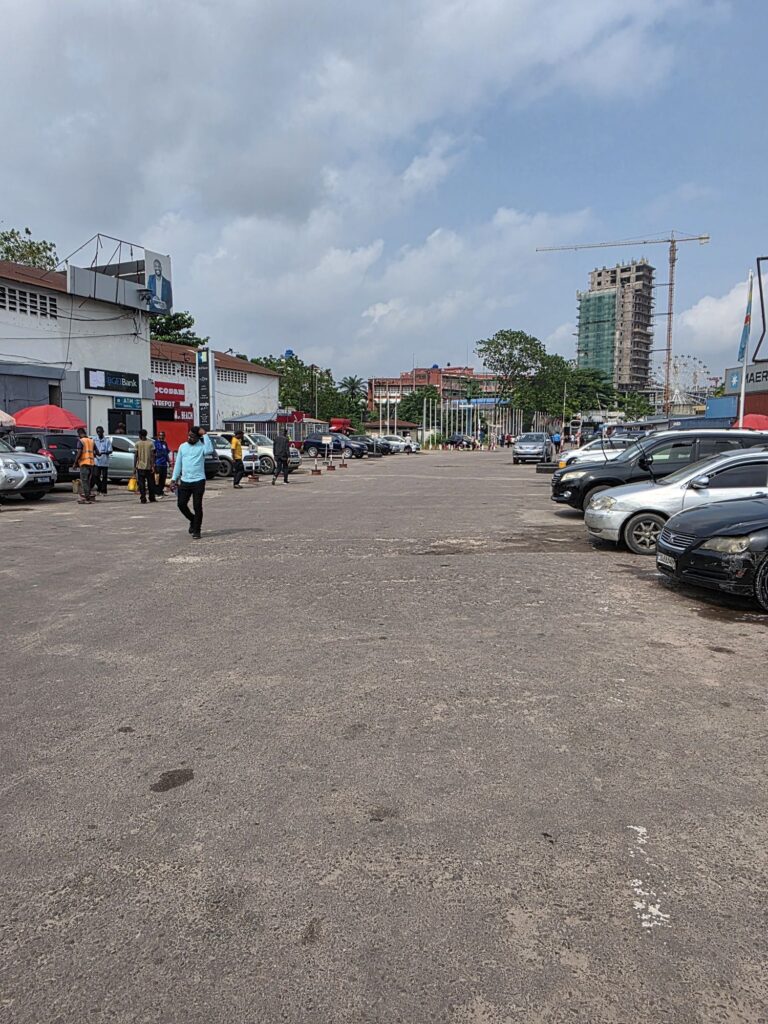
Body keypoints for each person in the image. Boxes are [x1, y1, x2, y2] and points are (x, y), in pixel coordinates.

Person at [171, 426, 213, 539]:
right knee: (181, 504)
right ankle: (193, 519)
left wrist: (205, 434)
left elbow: (209, 450)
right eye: (189, 436)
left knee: (197, 506)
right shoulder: (182, 447)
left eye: (192, 436)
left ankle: (197, 530)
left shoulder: (202, 447)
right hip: (185, 481)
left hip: (198, 481)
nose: (189, 438)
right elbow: (178, 464)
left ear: (198, 438)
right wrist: (174, 479)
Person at [73, 427, 96, 504]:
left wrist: (75, 463)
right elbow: (97, 452)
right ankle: (88, 495)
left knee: (84, 481)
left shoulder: (81, 441)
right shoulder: (91, 441)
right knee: (88, 481)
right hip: (91, 464)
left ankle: (86, 498)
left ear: (79, 434)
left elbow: (79, 452)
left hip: (84, 463)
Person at [134, 429, 156, 504]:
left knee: (141, 484)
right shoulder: (151, 443)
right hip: (149, 467)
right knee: (151, 484)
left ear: (140, 435)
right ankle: (152, 497)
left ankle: (143, 498)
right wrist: (153, 466)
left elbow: (136, 456)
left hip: (140, 467)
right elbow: (152, 456)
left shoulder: (137, 444)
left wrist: (134, 467)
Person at [92, 426, 112, 495]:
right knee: (95, 476)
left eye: (100, 432)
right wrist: (94, 453)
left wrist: (103, 452)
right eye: (97, 432)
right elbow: (92, 449)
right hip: (96, 461)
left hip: (104, 461)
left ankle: (104, 491)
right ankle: (100, 487)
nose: (99, 433)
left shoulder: (107, 440)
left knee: (104, 477)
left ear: (103, 432)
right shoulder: (94, 440)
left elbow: (110, 450)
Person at [153, 431, 170, 496]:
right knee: (158, 478)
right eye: (160, 435)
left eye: (163, 435)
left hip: (164, 464)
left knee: (163, 478)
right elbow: (153, 454)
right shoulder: (155, 443)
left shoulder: (165, 443)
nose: (162, 437)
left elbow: (166, 453)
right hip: (158, 463)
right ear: (158, 436)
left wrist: (169, 461)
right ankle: (157, 492)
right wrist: (153, 463)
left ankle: (161, 491)